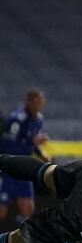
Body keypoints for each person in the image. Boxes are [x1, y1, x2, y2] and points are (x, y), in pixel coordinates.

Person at [1, 89, 50, 224]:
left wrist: (40, 153)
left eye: (39, 101)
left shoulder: (39, 119)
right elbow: (8, 145)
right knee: (1, 210)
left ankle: (21, 240)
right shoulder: (17, 119)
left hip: (23, 168)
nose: (37, 104)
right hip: (8, 168)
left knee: (28, 208)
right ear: (27, 102)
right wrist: (31, 142)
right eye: (34, 101)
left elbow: (30, 141)